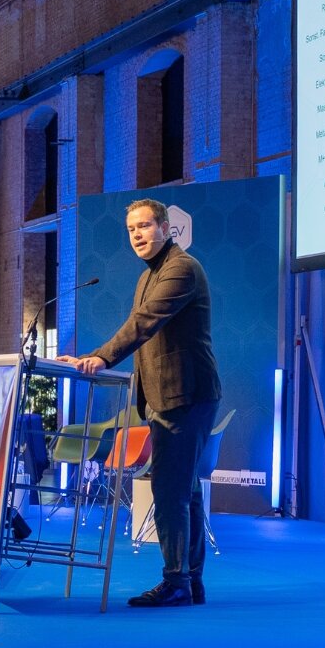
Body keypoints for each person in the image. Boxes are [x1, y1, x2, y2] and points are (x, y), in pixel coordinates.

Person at [57, 197, 221, 608]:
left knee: (170, 492)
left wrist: (101, 356)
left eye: (144, 226)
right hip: (168, 396)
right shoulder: (150, 274)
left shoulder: (180, 269)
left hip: (186, 395)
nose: (137, 235)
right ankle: (190, 581)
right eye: (131, 230)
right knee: (185, 492)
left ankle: (177, 581)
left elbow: (143, 323)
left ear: (166, 228)